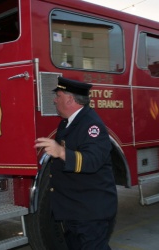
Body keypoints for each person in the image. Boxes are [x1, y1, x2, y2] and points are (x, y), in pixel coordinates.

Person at [34, 77, 117, 250]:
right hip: (75, 209)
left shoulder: (91, 125)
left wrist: (61, 152)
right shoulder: (68, 122)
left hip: (90, 212)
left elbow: (92, 161)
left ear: (70, 99)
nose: (55, 100)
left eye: (58, 95)